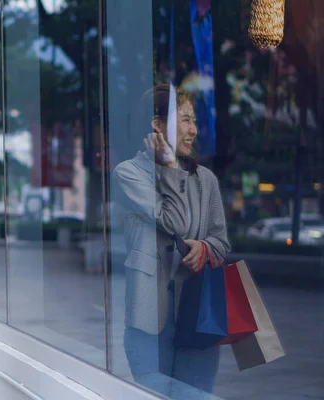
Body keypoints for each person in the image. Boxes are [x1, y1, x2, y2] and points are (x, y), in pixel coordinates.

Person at [111, 84, 230, 399]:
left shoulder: (205, 180)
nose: (193, 130)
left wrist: (205, 247)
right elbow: (174, 222)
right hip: (150, 316)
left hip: (198, 313)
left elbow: (221, 240)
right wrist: (167, 167)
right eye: (186, 120)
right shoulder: (129, 174)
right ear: (157, 125)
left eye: (194, 122)